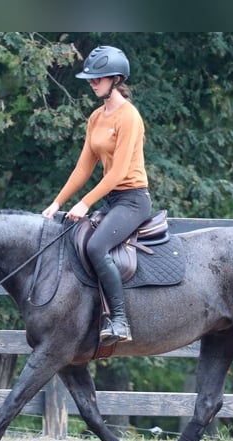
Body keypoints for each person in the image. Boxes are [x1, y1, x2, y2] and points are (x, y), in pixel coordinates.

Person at [42, 45, 151, 345]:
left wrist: (85, 202)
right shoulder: (96, 118)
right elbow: (83, 168)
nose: (92, 83)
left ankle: (119, 321)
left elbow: (117, 173)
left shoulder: (129, 117)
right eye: (90, 79)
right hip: (112, 200)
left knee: (97, 246)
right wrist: (57, 203)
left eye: (98, 78)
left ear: (116, 79)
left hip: (133, 200)